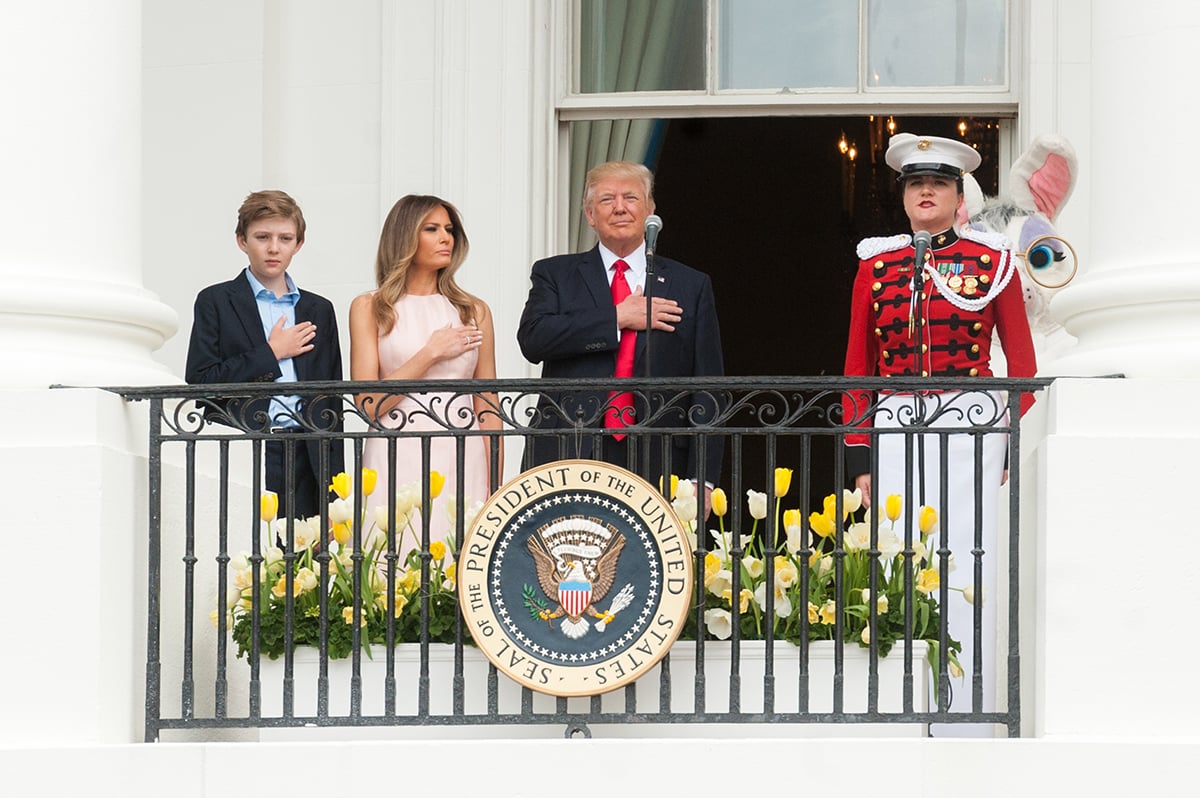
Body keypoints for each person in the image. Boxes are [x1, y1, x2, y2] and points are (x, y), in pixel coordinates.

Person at [842, 133, 1037, 729]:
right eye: (915, 183)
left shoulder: (993, 261)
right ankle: (901, 706)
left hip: (969, 421)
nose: (926, 191)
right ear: (904, 197)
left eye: (940, 184)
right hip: (897, 419)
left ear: (959, 198)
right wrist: (860, 455)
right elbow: (858, 366)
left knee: (966, 560)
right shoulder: (876, 265)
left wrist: (1000, 437)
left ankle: (968, 710)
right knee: (896, 555)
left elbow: (1023, 369)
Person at [517, 160, 724, 501]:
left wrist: (702, 478)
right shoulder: (555, 274)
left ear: (650, 210)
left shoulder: (690, 284)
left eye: (630, 197)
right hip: (570, 446)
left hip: (662, 454)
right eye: (606, 200)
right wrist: (616, 318)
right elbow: (533, 338)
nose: (620, 208)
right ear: (589, 215)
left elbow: (708, 385)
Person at [349, 195, 500, 557]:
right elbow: (368, 404)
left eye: (448, 229)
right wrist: (431, 353)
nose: (445, 238)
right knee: (392, 559)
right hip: (395, 448)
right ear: (404, 237)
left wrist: (497, 481)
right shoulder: (370, 307)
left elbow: (489, 401)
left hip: (463, 451)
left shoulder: (474, 310)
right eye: (431, 229)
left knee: (460, 558)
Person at [186, 189, 344, 522]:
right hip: (246, 447)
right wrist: (271, 353)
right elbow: (201, 381)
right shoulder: (215, 301)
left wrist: (336, 495)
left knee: (304, 566)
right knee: (248, 558)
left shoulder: (319, 309)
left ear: (298, 244)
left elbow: (332, 402)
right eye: (262, 237)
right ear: (242, 241)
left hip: (307, 454)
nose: (274, 248)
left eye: (285, 238)